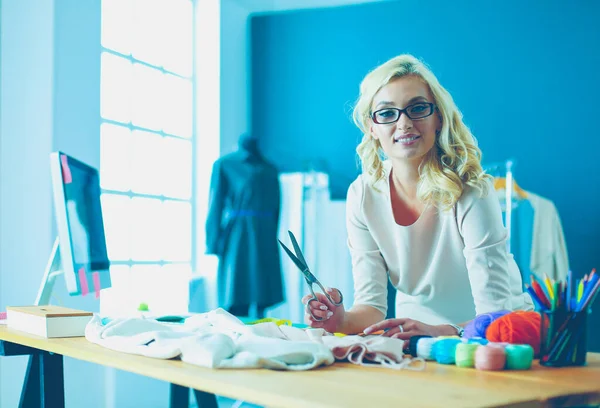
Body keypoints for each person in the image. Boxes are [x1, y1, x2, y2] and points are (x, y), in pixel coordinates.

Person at [303, 54, 532, 338]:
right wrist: (339, 321)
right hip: (417, 338)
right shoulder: (362, 194)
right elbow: (371, 307)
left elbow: (495, 315)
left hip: (499, 335)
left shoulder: (472, 190)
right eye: (387, 113)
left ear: (438, 117)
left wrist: (441, 332)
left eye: (417, 108)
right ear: (372, 127)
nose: (404, 123)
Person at [205, 133, 283, 318]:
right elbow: (215, 204)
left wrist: (273, 234)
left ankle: (260, 335)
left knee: (263, 292)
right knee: (236, 290)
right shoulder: (225, 164)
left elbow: (277, 206)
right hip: (238, 235)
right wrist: (212, 241)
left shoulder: (270, 168)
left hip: (265, 235)